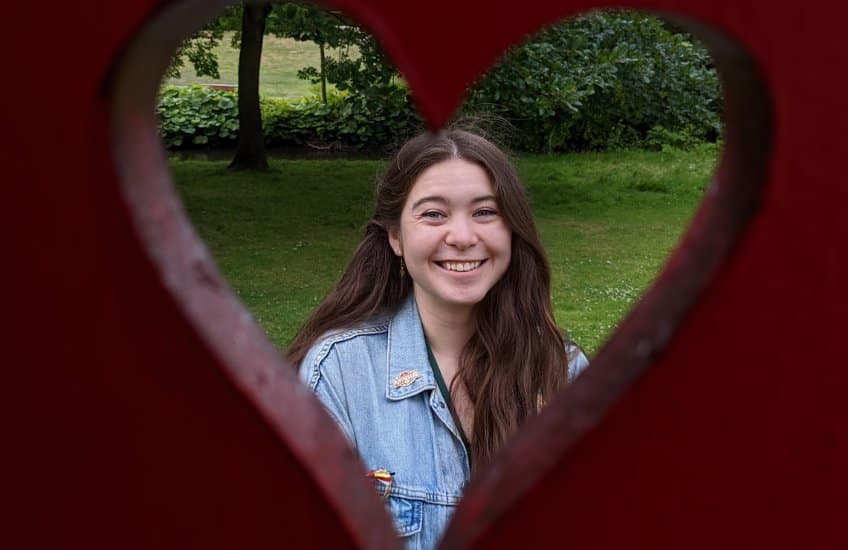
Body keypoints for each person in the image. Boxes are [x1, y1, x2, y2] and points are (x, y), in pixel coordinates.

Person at [288, 127, 588, 548]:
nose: (463, 237)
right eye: (433, 214)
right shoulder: (339, 372)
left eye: (485, 212)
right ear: (395, 236)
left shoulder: (563, 372)